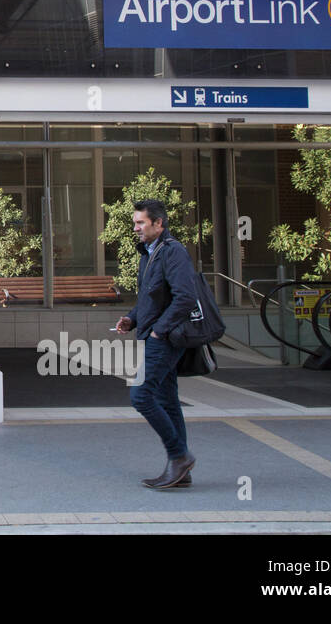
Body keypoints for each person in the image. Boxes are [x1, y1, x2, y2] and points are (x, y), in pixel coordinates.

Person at [114, 198, 198, 490]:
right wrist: (132, 318)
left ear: (158, 223)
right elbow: (151, 297)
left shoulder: (173, 252)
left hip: (165, 338)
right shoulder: (149, 252)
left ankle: (179, 455)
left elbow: (185, 297)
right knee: (167, 400)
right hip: (153, 333)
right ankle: (181, 471)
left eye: (141, 222)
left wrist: (158, 332)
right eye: (135, 222)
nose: (135, 227)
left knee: (141, 396)